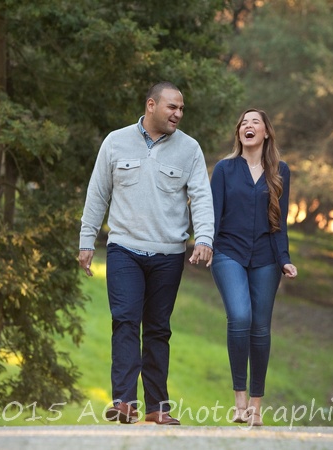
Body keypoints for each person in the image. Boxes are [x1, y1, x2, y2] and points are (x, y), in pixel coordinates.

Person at [78, 81, 214, 426]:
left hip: (168, 254)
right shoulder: (115, 141)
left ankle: (156, 408)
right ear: (151, 105)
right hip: (124, 248)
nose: (178, 114)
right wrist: (86, 240)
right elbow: (98, 193)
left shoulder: (190, 149)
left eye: (182, 109)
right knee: (125, 320)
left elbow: (200, 196)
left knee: (157, 329)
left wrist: (205, 239)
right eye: (172, 107)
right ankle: (124, 401)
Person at [210, 108, 297, 427]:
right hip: (228, 252)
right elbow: (213, 214)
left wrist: (284, 259)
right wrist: (205, 244)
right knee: (240, 316)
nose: (248, 126)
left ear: (266, 133)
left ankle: (257, 407)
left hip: (266, 257)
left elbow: (280, 222)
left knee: (260, 327)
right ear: (239, 134)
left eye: (254, 123)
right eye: (243, 123)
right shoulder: (224, 169)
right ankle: (239, 400)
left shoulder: (280, 171)